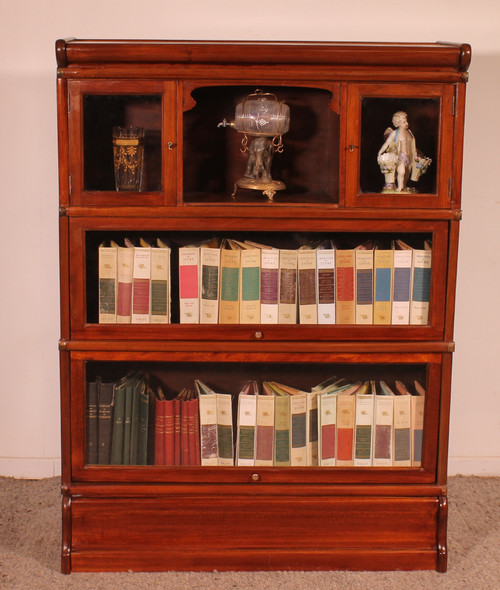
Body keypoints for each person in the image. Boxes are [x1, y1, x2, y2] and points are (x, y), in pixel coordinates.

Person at [377, 111, 417, 192]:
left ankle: (403, 186)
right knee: (401, 172)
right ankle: (399, 188)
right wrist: (380, 152)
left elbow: (413, 146)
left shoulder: (409, 132)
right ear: (398, 123)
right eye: (403, 122)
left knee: (406, 174)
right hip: (400, 156)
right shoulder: (395, 133)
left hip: (409, 156)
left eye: (406, 121)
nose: (406, 123)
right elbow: (387, 143)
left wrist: (415, 155)